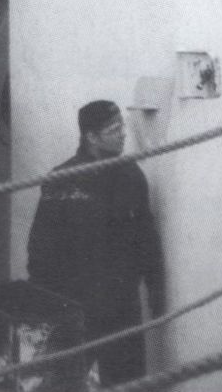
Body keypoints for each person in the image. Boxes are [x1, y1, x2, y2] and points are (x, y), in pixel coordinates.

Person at [27, 99, 165, 386]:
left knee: (128, 381)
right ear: (91, 136)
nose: (123, 134)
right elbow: (41, 246)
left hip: (121, 305)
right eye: (114, 130)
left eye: (122, 127)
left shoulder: (131, 175)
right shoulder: (63, 179)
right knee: (64, 382)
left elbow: (146, 236)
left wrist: (156, 288)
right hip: (76, 306)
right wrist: (44, 303)